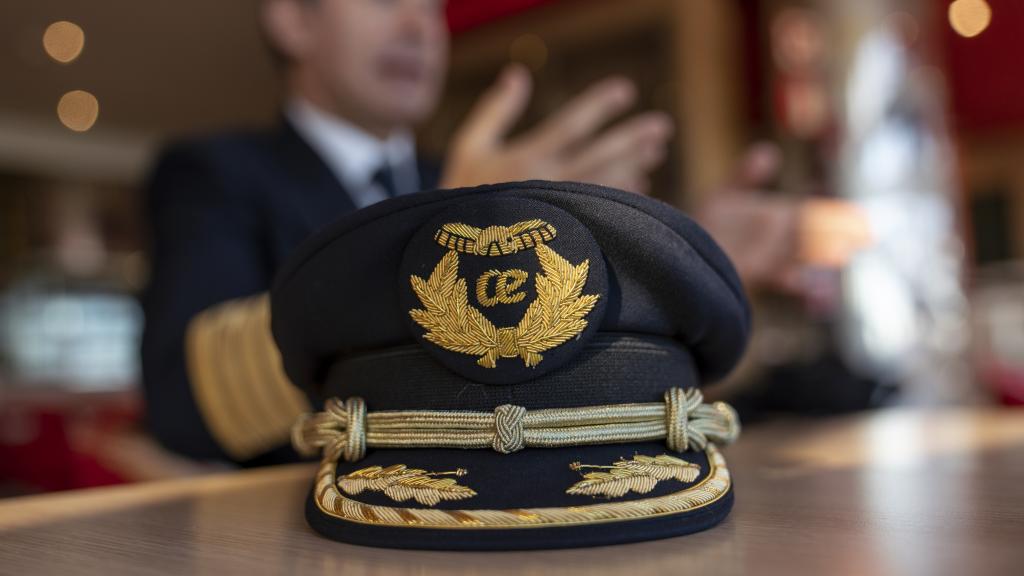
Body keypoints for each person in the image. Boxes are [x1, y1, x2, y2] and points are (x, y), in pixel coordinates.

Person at [141, 0, 674, 464]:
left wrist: (669, 272)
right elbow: (183, 406)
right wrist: (431, 234)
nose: (419, 27)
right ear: (293, 20)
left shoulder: (466, 179)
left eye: (433, 5)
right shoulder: (216, 174)